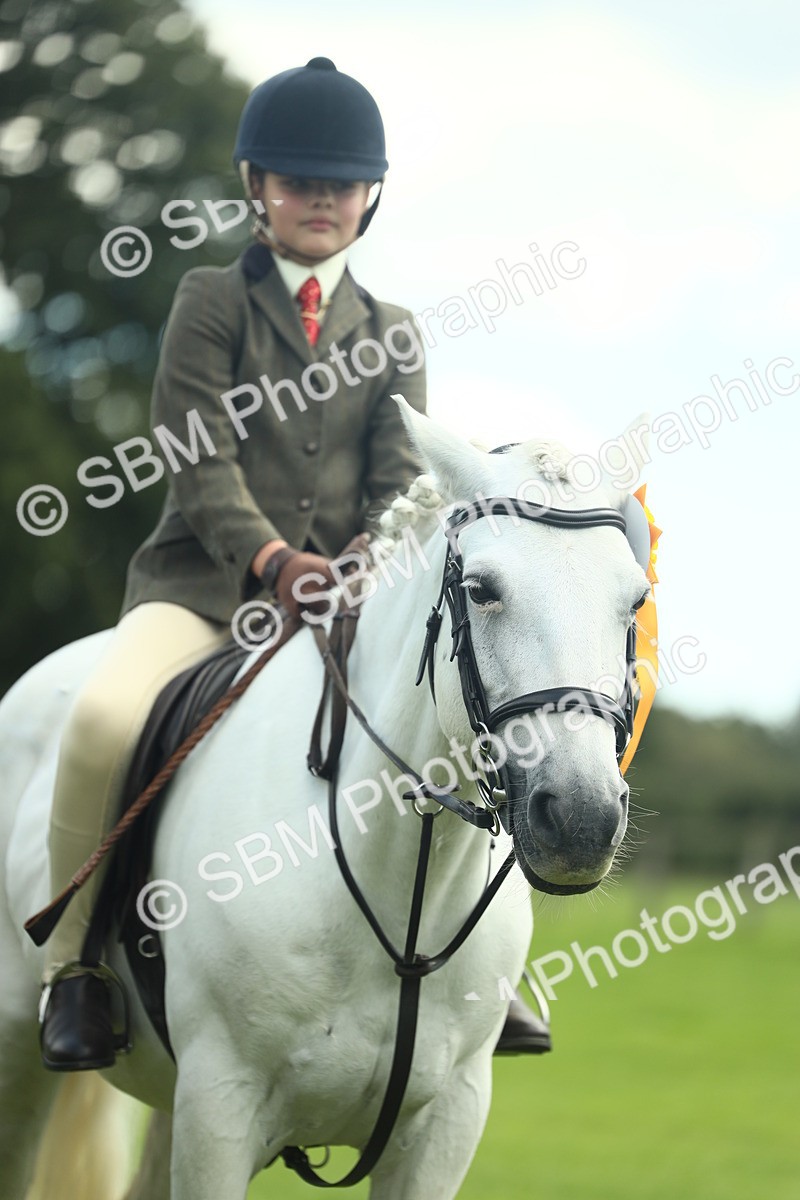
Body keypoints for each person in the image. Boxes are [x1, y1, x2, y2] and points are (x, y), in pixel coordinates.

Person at [38, 57, 548, 1070]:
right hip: (202, 590)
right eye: (297, 179)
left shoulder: (393, 331)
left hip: (349, 602)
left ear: (368, 198)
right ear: (255, 188)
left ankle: (489, 966)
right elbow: (194, 453)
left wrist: (361, 559)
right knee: (99, 722)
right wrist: (272, 559)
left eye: (340, 184)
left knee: (466, 713)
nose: (320, 199)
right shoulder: (211, 301)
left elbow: (404, 477)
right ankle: (77, 964)